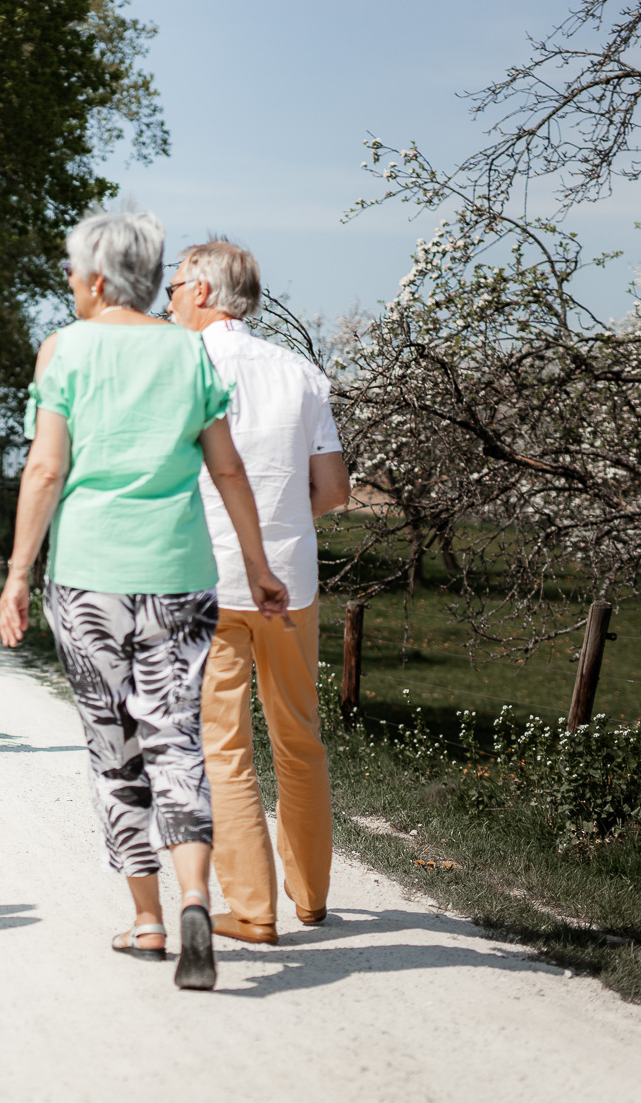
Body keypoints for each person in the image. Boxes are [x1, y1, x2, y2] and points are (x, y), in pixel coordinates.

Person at [0, 209, 290, 993]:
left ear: (96, 279)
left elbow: (46, 470)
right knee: (177, 738)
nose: (66, 283)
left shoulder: (64, 350)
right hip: (181, 574)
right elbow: (228, 472)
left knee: (114, 748)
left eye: (68, 271)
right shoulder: (189, 354)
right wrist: (257, 566)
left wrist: (19, 572)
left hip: (90, 575)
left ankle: (150, 920)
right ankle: (198, 895)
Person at [166, 241, 351, 945]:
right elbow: (333, 489)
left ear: (206, 292)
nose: (171, 300)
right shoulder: (302, 373)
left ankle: (253, 910)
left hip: (208, 583)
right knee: (300, 739)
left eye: (177, 286)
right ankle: (311, 897)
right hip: (291, 583)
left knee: (225, 748)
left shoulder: (180, 369)